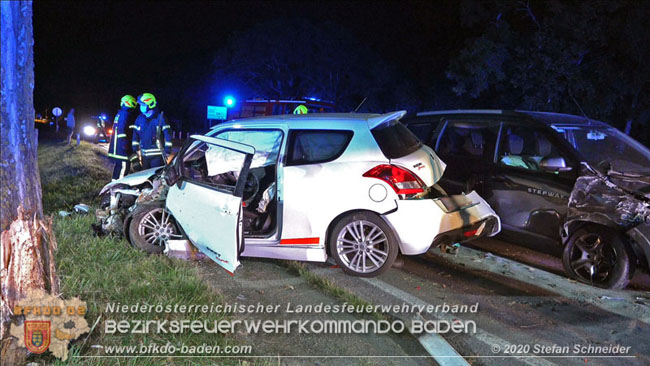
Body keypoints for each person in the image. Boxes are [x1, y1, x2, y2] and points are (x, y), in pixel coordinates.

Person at [131, 93, 172, 169]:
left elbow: (168, 135)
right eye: (141, 105)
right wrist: (135, 150)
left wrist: (167, 151)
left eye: (143, 104)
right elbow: (135, 136)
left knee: (156, 178)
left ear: (150, 104)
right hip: (144, 156)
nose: (141, 107)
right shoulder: (139, 119)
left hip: (157, 156)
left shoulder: (160, 118)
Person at [108, 95, 138, 180]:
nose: (134, 105)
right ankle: (117, 190)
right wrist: (126, 146)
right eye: (133, 103)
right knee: (122, 172)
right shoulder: (126, 114)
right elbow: (122, 131)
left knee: (118, 170)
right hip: (122, 151)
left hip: (118, 149)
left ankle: (113, 190)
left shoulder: (120, 113)